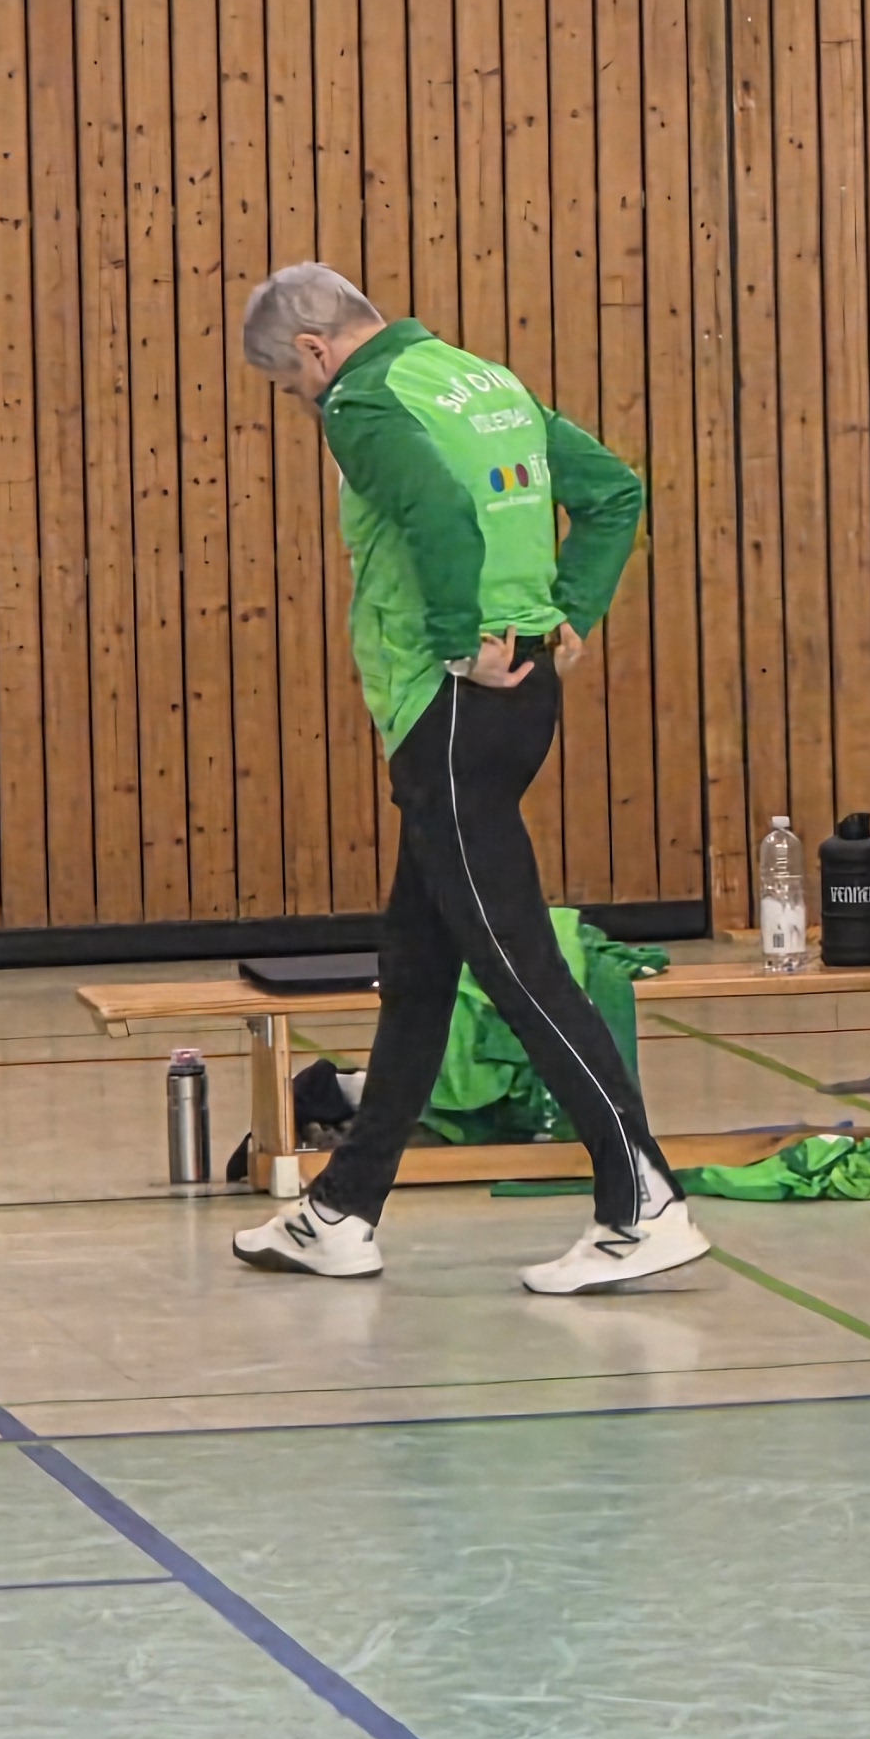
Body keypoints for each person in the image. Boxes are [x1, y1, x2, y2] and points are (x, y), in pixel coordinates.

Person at [225, 266, 700, 1297]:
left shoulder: (363, 399)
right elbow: (613, 490)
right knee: (420, 963)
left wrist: (454, 642)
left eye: (287, 385)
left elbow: (441, 514)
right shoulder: (478, 378)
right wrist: (572, 608)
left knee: (518, 963)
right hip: (519, 698)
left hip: (449, 705)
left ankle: (642, 1200)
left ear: (312, 350)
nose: (299, 403)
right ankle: (341, 1211)